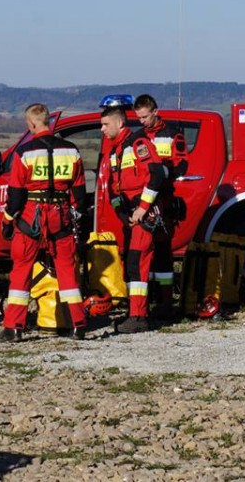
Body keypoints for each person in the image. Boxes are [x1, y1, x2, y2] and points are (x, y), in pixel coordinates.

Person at [0, 103, 87, 341]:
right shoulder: (71, 150)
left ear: (31, 124)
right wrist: (76, 219)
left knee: (21, 273)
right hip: (61, 216)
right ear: (48, 121)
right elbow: (79, 194)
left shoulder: (25, 152)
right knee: (68, 272)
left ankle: (14, 327)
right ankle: (78, 324)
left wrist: (7, 221)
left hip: (31, 216)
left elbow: (16, 196)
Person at [100, 103, 167, 333]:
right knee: (131, 265)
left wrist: (142, 209)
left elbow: (157, 175)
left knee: (137, 264)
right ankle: (135, 314)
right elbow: (114, 190)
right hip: (130, 217)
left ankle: (139, 318)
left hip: (143, 215)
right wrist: (122, 213)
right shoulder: (114, 152)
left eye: (105, 124)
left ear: (119, 123)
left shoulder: (138, 144)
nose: (102, 129)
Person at [132, 94, 187, 319]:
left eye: (145, 116)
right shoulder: (137, 137)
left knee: (163, 253)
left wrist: (162, 174)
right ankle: (147, 302)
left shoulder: (173, 134)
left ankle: (165, 302)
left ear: (155, 111)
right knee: (142, 254)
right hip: (142, 198)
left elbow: (182, 164)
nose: (142, 121)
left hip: (163, 199)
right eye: (138, 118)